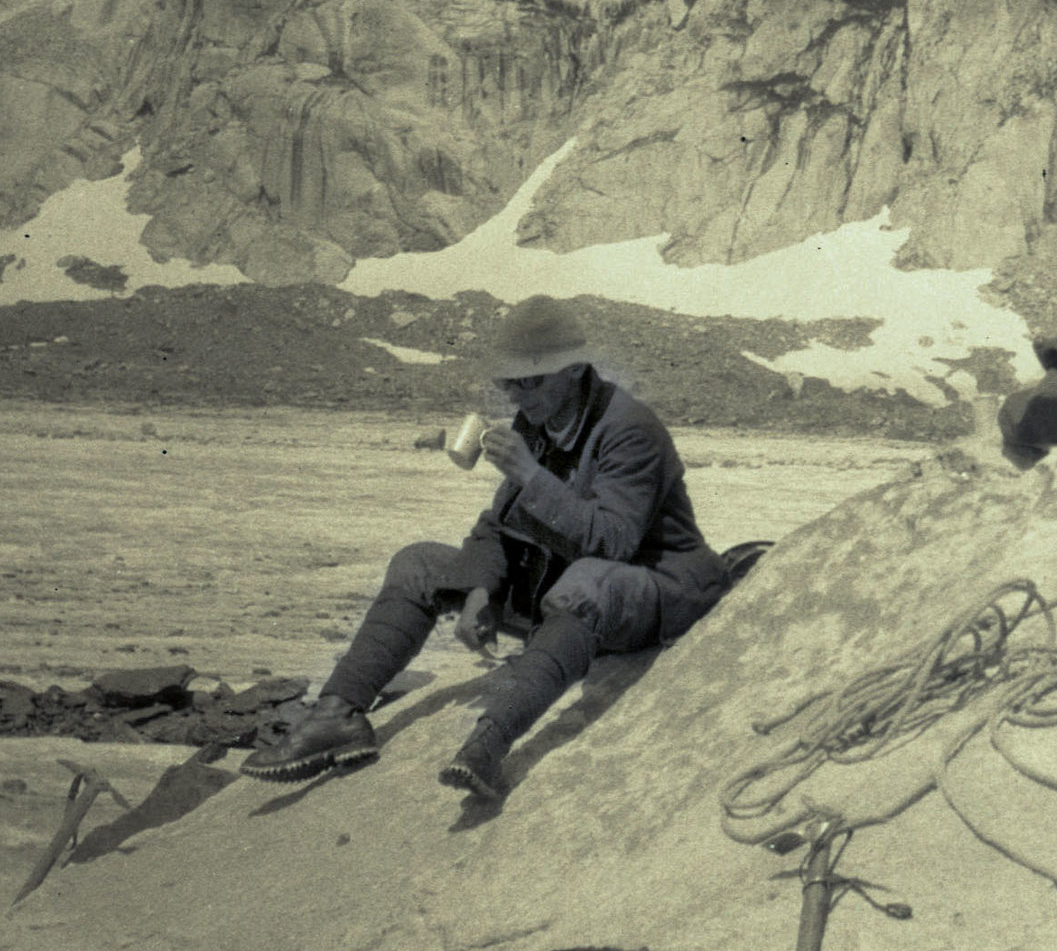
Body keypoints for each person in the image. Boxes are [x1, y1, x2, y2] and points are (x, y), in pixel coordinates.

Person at [248, 296, 731, 803]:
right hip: (564, 593)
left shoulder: (628, 428)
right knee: (418, 564)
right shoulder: (537, 422)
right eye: (509, 384)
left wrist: (529, 474)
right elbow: (500, 523)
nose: (520, 398)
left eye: (532, 381)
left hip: (652, 590)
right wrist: (479, 587)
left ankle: (488, 743)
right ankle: (337, 716)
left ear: (573, 371)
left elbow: (613, 541)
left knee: (587, 582)